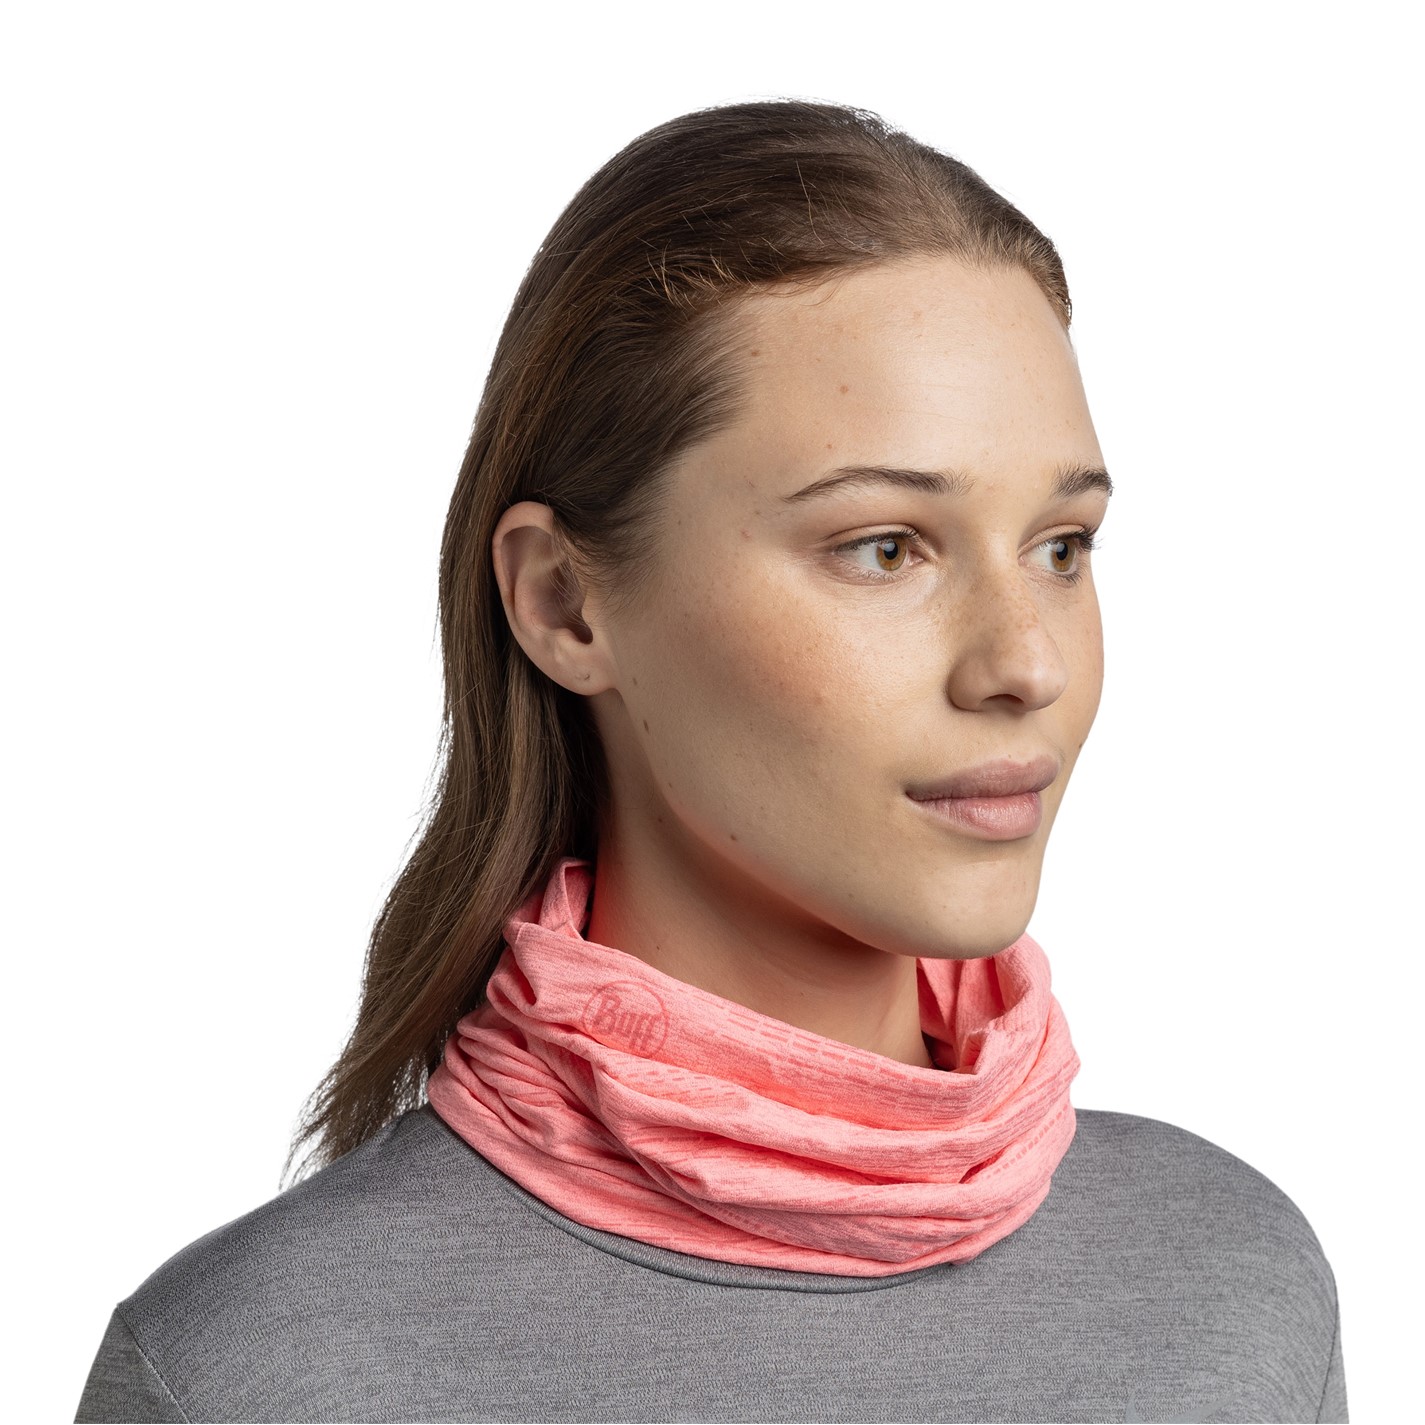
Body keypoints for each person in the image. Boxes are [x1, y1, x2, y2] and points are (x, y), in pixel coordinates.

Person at [74, 98, 1347, 1424]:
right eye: (884, 548)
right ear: (565, 603)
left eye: (1061, 547)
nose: (1025, 662)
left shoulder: (1230, 1288)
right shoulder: (251, 1373)